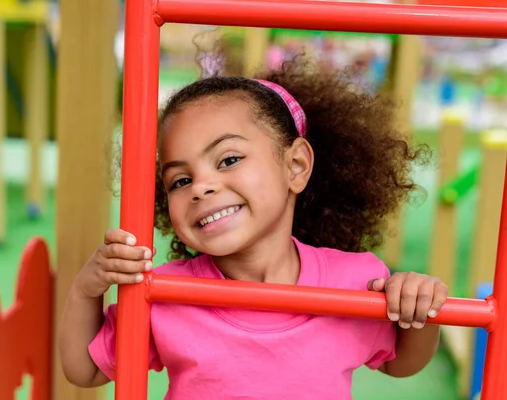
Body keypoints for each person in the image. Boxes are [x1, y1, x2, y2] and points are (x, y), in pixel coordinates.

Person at [57, 53, 448, 399]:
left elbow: (402, 362)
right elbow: (86, 369)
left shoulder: (356, 280)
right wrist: (86, 290)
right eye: (180, 180)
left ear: (295, 166)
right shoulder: (164, 293)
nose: (201, 187)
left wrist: (419, 305)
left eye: (228, 160)